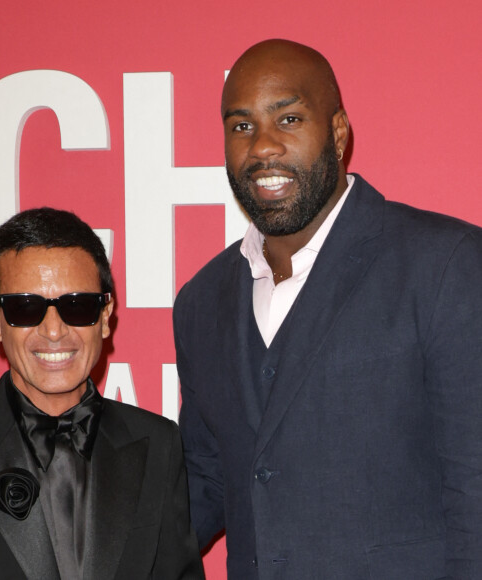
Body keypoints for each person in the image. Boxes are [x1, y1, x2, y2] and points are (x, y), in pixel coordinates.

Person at [173, 39, 482, 579]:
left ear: (338, 132)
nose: (263, 147)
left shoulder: (445, 265)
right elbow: (208, 478)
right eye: (241, 126)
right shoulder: (201, 301)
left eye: (288, 118)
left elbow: (474, 485)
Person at [0, 207, 204, 580]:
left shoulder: (159, 443)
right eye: (24, 307)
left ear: (105, 315)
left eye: (77, 306)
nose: (54, 330)